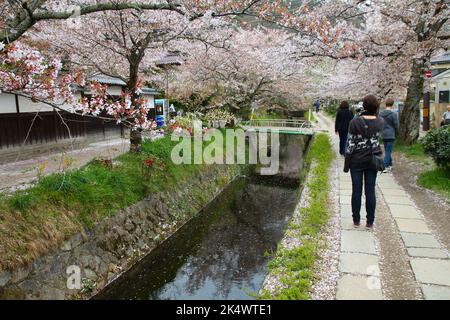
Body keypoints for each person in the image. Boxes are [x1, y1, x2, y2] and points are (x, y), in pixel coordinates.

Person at [344, 95, 385, 229]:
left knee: (356, 190)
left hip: (357, 159)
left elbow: (350, 144)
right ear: (376, 107)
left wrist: (346, 163)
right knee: (370, 190)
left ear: (364, 106)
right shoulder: (381, 121)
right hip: (373, 158)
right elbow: (378, 141)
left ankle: (356, 220)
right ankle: (370, 222)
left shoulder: (355, 122)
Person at [379, 98, 399, 172]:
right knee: (388, 151)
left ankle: (390, 165)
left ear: (385, 104)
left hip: (383, 134)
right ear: (392, 104)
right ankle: (385, 166)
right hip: (391, 134)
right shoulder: (393, 114)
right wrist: (397, 133)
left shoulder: (380, 114)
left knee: (387, 150)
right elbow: (396, 125)